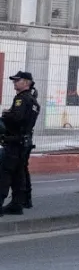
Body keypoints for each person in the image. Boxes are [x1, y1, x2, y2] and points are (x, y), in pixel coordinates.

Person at [0, 71, 40, 216]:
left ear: (27, 83)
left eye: (18, 80)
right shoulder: (33, 100)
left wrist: (6, 114)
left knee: (5, 173)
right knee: (19, 174)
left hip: (14, 142)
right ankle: (18, 203)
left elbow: (17, 118)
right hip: (24, 142)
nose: (15, 83)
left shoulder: (22, 99)